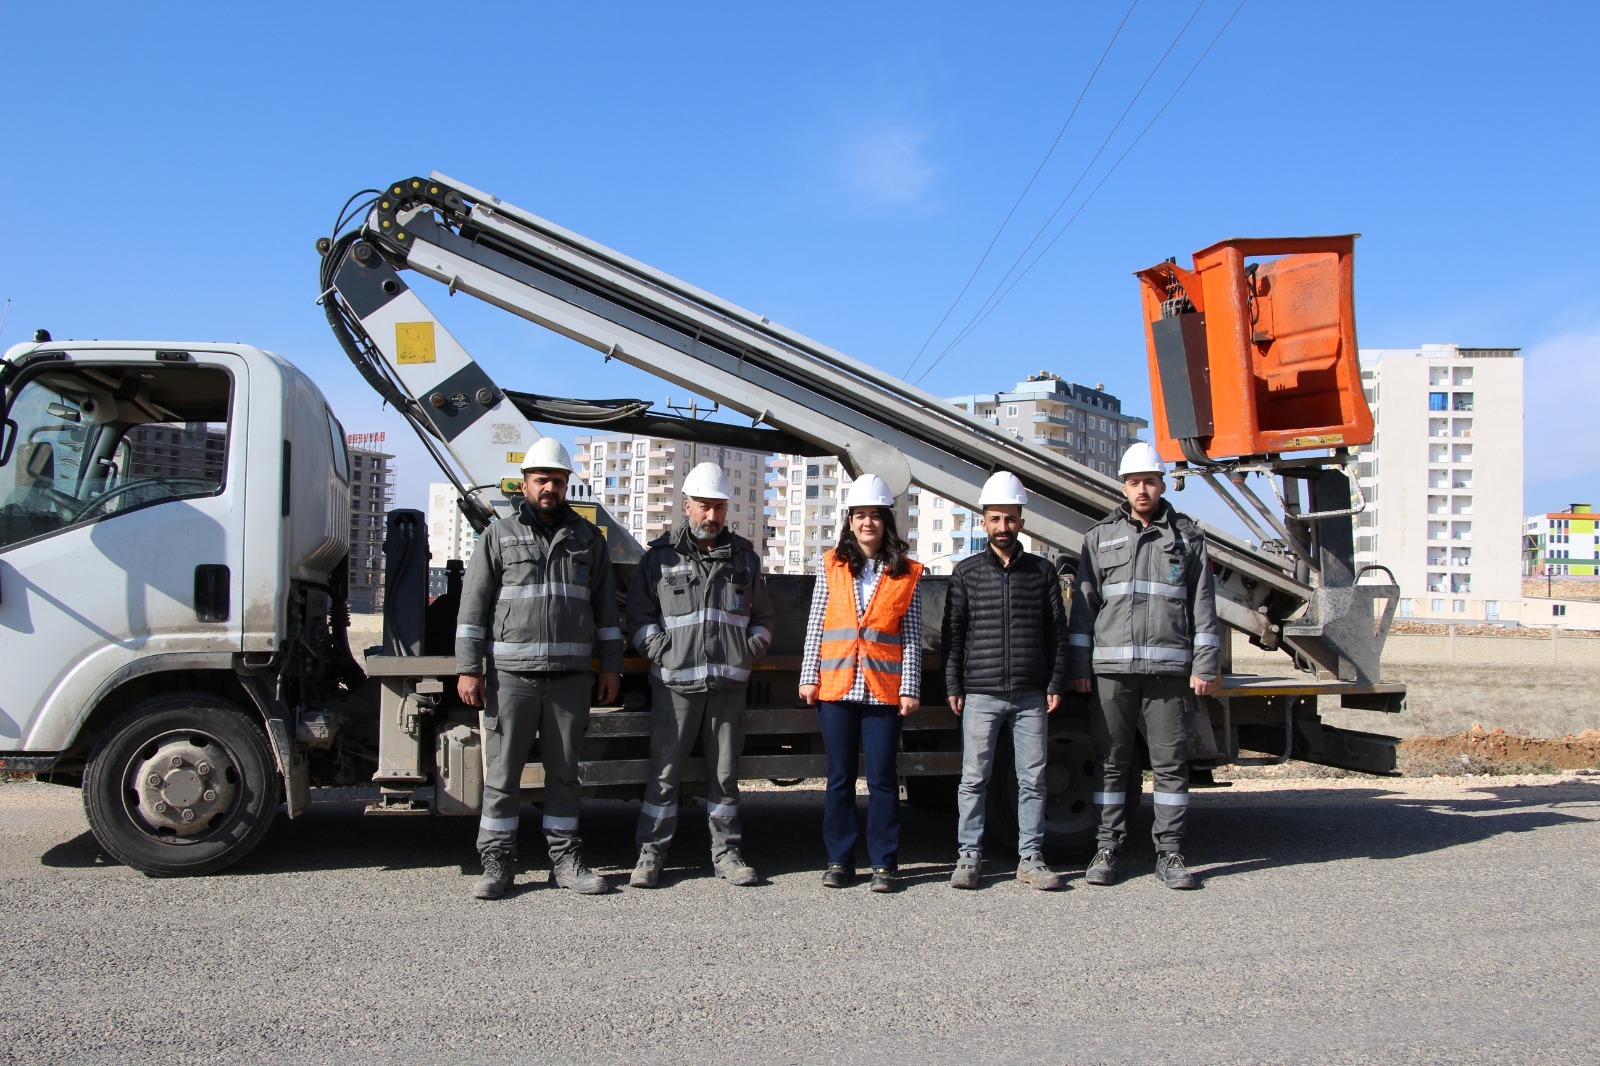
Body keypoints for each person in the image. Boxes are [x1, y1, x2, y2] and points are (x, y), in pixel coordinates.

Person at [455, 437, 624, 898]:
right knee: (503, 774)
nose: (550, 487)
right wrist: (469, 668)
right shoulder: (499, 536)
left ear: (568, 485)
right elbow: (473, 607)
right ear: (525, 484)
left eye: (558, 480)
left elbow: (606, 610)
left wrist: (611, 667)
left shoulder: (587, 539)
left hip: (570, 677)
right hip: (512, 676)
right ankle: (497, 863)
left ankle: (565, 861)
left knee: (565, 774)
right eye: (542, 479)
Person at [1068, 441, 1220, 890]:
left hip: (1169, 673)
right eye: (1134, 482)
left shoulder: (1187, 538)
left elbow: (1203, 604)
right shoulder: (1099, 537)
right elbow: (1084, 607)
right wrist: (1079, 665)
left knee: (1170, 764)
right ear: (1123, 487)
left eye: (1149, 482)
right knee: (1111, 762)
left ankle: (1170, 852)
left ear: (1161, 485)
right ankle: (1107, 848)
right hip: (1112, 673)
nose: (1142, 490)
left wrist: (1205, 664)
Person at [627, 462, 775, 889]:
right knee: (663, 775)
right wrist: (663, 652)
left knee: (725, 778)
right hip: (675, 686)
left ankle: (727, 855)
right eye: (704, 506)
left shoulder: (745, 559)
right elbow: (639, 617)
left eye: (719, 507)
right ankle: (650, 856)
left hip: (728, 686)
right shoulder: (658, 558)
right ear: (687, 505)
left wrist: (749, 651)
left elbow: (764, 618)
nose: (712, 516)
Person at [943, 471, 1069, 891]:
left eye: (1010, 518)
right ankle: (968, 857)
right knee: (973, 779)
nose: (1003, 526)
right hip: (980, 692)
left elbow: (1057, 633)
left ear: (1021, 522)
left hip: (1031, 693)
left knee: (1032, 780)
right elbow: (953, 633)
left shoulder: (1042, 572)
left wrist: (1055, 682)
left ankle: (1030, 859)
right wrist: (953, 685)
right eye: (995, 518)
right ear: (984, 522)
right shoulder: (966, 572)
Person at [799, 474, 923, 893]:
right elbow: (817, 623)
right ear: (849, 520)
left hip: (883, 691)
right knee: (839, 778)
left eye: (875, 515)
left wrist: (910, 687)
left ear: (887, 521)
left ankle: (885, 864)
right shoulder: (831, 564)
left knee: (883, 778)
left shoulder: (907, 572)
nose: (867, 522)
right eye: (860, 515)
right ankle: (839, 860)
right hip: (836, 687)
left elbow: (911, 636)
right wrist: (808, 677)